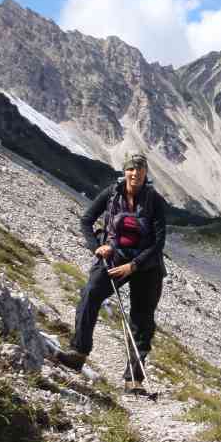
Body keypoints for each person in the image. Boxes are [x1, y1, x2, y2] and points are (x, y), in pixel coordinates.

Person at [53, 151, 167, 392]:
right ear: (124, 171)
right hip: (114, 257)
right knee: (90, 292)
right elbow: (86, 220)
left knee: (142, 320)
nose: (135, 173)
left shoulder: (155, 200)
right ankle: (78, 351)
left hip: (146, 266)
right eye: (131, 169)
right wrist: (97, 247)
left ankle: (133, 379)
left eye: (140, 169)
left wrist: (134, 265)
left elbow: (158, 243)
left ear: (146, 173)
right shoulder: (112, 192)